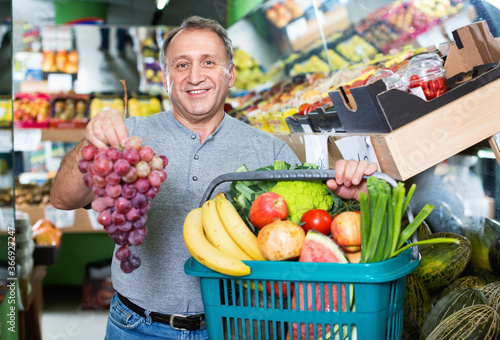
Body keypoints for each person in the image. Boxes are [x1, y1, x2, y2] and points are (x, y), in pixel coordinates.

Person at [50, 16, 377, 340]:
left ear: (230, 74)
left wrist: (348, 199)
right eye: (181, 65)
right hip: (136, 326)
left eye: (208, 62)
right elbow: (63, 199)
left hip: (237, 327)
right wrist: (90, 141)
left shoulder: (269, 151)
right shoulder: (129, 137)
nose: (195, 76)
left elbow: (306, 236)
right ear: (166, 78)